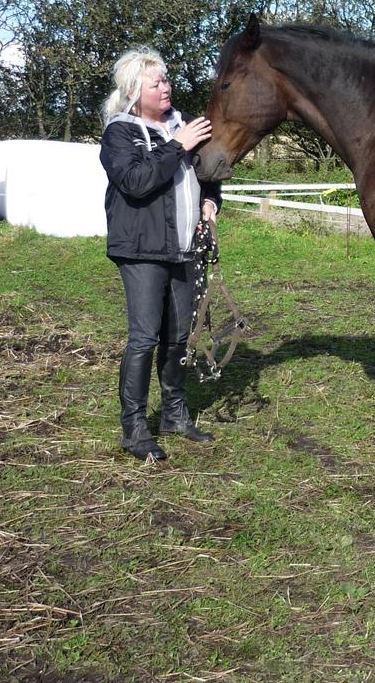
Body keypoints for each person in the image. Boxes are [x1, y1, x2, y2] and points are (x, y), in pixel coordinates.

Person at [99, 47, 222, 461]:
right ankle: (134, 428)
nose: (166, 87)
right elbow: (136, 181)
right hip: (142, 249)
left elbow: (208, 170)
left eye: (167, 80)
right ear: (136, 91)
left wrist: (210, 202)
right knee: (145, 337)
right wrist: (177, 145)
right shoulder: (120, 133)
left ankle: (174, 413)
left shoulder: (182, 123)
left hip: (185, 246)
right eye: (157, 82)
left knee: (178, 336)